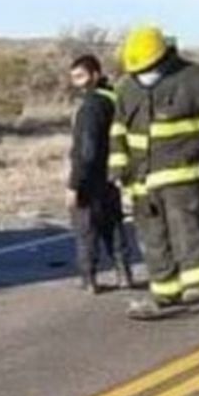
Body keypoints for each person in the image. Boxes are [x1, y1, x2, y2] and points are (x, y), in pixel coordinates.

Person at [108, 26, 199, 312]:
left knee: (187, 228)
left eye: (147, 68)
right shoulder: (127, 87)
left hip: (183, 173)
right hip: (140, 181)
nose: (143, 74)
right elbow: (118, 130)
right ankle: (165, 288)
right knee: (152, 236)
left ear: (163, 59)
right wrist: (117, 169)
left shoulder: (198, 80)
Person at [66, 54, 133, 293]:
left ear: (95, 74)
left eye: (81, 76)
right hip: (113, 173)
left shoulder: (91, 105)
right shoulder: (116, 98)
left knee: (86, 229)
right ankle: (124, 273)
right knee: (113, 225)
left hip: (91, 177)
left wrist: (75, 183)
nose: (77, 82)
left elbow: (87, 148)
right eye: (73, 77)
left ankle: (89, 278)